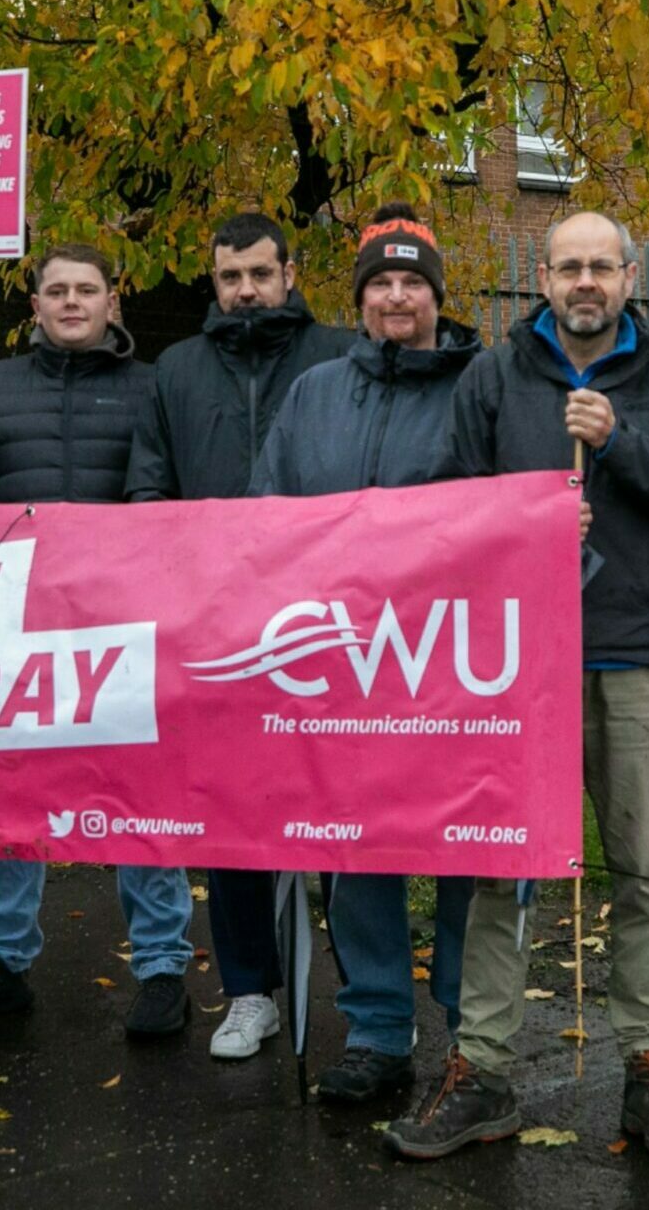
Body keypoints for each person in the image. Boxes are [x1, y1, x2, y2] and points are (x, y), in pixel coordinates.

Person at [387, 211, 649, 1163]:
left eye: (603, 267)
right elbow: (451, 509)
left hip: (634, 658)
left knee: (642, 872)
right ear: (541, 278)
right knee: (501, 871)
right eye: (569, 267)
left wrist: (620, 444)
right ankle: (484, 1070)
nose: (586, 282)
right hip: (519, 664)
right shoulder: (495, 378)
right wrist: (529, 529)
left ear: (630, 277)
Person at [0, 243, 196, 1039]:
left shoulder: (151, 388)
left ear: (114, 303)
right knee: (12, 796)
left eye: (87, 290)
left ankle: (162, 967)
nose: (71, 302)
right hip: (18, 629)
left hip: (123, 627)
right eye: (56, 291)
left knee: (141, 797)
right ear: (34, 305)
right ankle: (3, 961)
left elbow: (163, 494)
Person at [248, 204, 476, 1102]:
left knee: (467, 849)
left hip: (450, 665)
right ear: (360, 297)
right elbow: (270, 508)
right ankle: (379, 1030)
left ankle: (471, 1031)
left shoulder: (480, 385)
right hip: (341, 664)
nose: (394, 296)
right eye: (380, 282)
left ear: (434, 297)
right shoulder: (314, 393)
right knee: (356, 849)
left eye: (411, 282)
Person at [127, 211, 351, 1061]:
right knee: (234, 818)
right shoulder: (177, 370)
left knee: (342, 812)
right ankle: (250, 989)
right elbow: (150, 486)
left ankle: (363, 995)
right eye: (231, 276)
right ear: (213, 282)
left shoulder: (335, 354)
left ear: (290, 273)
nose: (247, 289)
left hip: (326, 622)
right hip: (219, 628)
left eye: (261, 272)